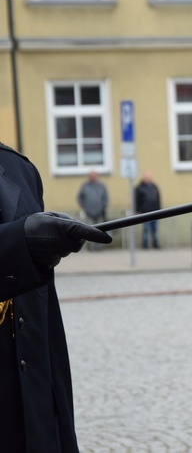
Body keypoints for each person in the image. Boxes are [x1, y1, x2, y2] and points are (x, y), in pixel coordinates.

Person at [0, 141, 112, 451]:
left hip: (26, 411)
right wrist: (17, 243)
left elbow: (43, 323)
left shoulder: (19, 168)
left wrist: (60, 430)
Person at [77, 171, 108, 250]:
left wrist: (102, 207)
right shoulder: (85, 186)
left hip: (99, 212)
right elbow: (80, 198)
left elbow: (105, 198)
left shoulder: (101, 186)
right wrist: (85, 206)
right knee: (90, 230)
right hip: (89, 213)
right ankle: (92, 247)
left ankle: (99, 247)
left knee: (100, 231)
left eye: (94, 176)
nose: (92, 178)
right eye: (90, 176)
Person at [134, 171, 161, 249]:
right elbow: (136, 200)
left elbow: (158, 198)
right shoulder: (140, 188)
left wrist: (159, 210)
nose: (149, 179)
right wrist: (138, 210)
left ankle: (155, 244)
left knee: (155, 229)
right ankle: (145, 245)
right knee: (146, 229)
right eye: (147, 178)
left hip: (155, 211)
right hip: (145, 212)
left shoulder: (154, 186)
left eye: (150, 178)